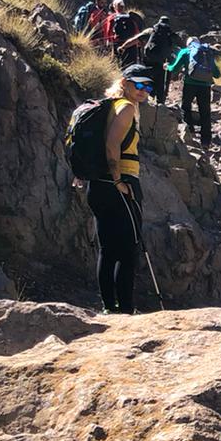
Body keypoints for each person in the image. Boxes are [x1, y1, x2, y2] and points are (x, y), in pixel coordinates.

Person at [85, 64, 152, 314]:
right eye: (139, 84)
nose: (144, 90)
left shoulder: (107, 106)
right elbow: (112, 145)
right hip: (119, 183)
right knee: (128, 250)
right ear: (124, 82)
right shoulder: (124, 108)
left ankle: (109, 307)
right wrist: (118, 181)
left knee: (108, 248)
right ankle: (124, 309)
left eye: (148, 86)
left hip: (98, 185)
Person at [167, 35, 221, 148]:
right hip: (205, 86)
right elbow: (217, 74)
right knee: (205, 112)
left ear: (188, 44)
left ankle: (190, 132)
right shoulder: (207, 52)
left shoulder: (185, 51)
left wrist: (167, 67)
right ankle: (206, 141)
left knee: (186, 107)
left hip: (190, 84)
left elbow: (174, 68)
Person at [120, 15, 180, 104]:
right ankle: (160, 105)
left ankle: (145, 103)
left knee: (146, 83)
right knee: (161, 86)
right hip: (162, 64)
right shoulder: (170, 34)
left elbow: (134, 40)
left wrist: (122, 47)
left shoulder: (150, 31)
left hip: (147, 63)